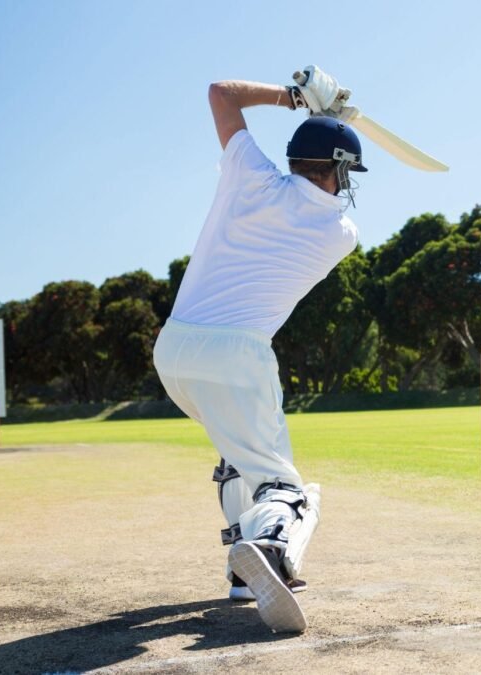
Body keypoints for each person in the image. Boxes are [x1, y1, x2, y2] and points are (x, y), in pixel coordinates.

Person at [153, 67, 363, 633]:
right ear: (339, 171)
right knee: (289, 491)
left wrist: (294, 98)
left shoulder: (250, 177)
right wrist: (329, 124)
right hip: (237, 355)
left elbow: (220, 93)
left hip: (173, 350)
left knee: (239, 458)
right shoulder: (341, 235)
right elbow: (319, 196)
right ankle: (269, 549)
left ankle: (244, 577)